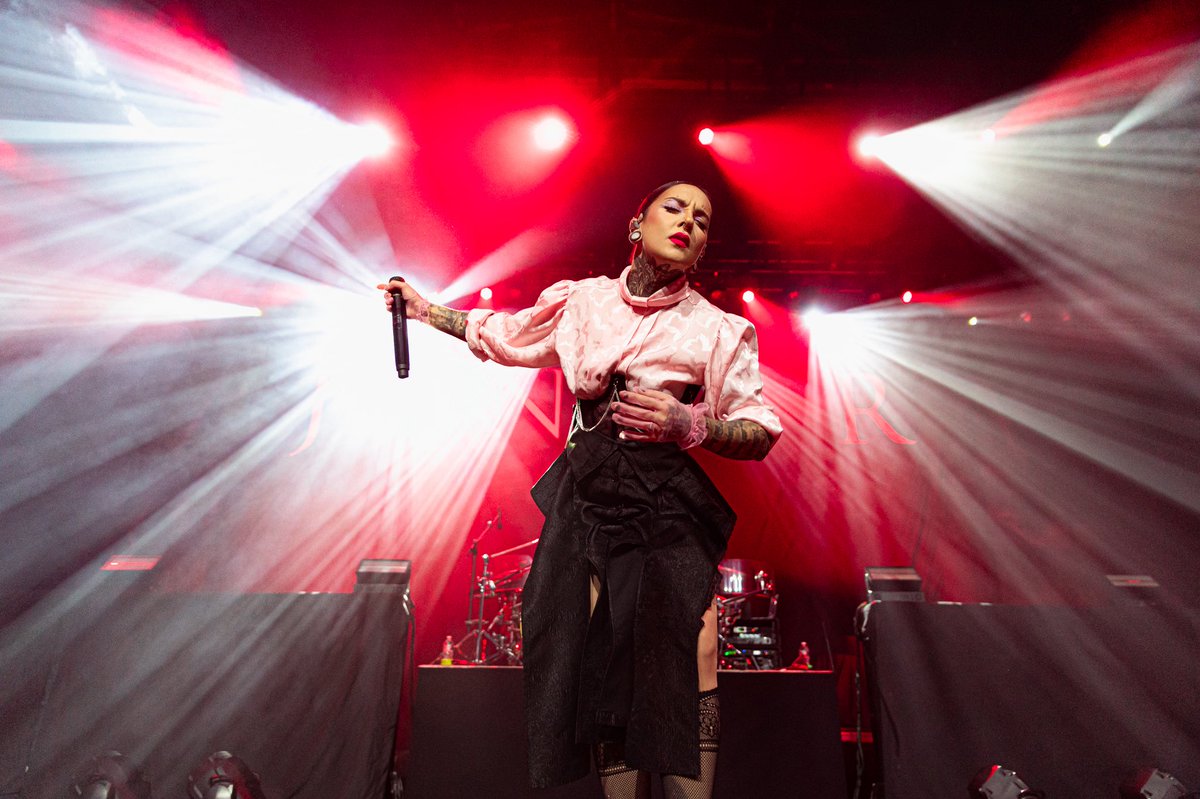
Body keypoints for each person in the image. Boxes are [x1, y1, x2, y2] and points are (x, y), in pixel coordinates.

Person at [379, 181, 781, 799]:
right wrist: (423, 310)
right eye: (674, 208)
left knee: (690, 661)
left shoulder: (715, 329)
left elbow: (758, 432)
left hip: (665, 508)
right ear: (635, 223)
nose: (689, 223)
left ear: (702, 249)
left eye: (702, 220)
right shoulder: (583, 303)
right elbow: (505, 339)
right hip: (589, 504)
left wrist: (690, 424)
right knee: (604, 666)